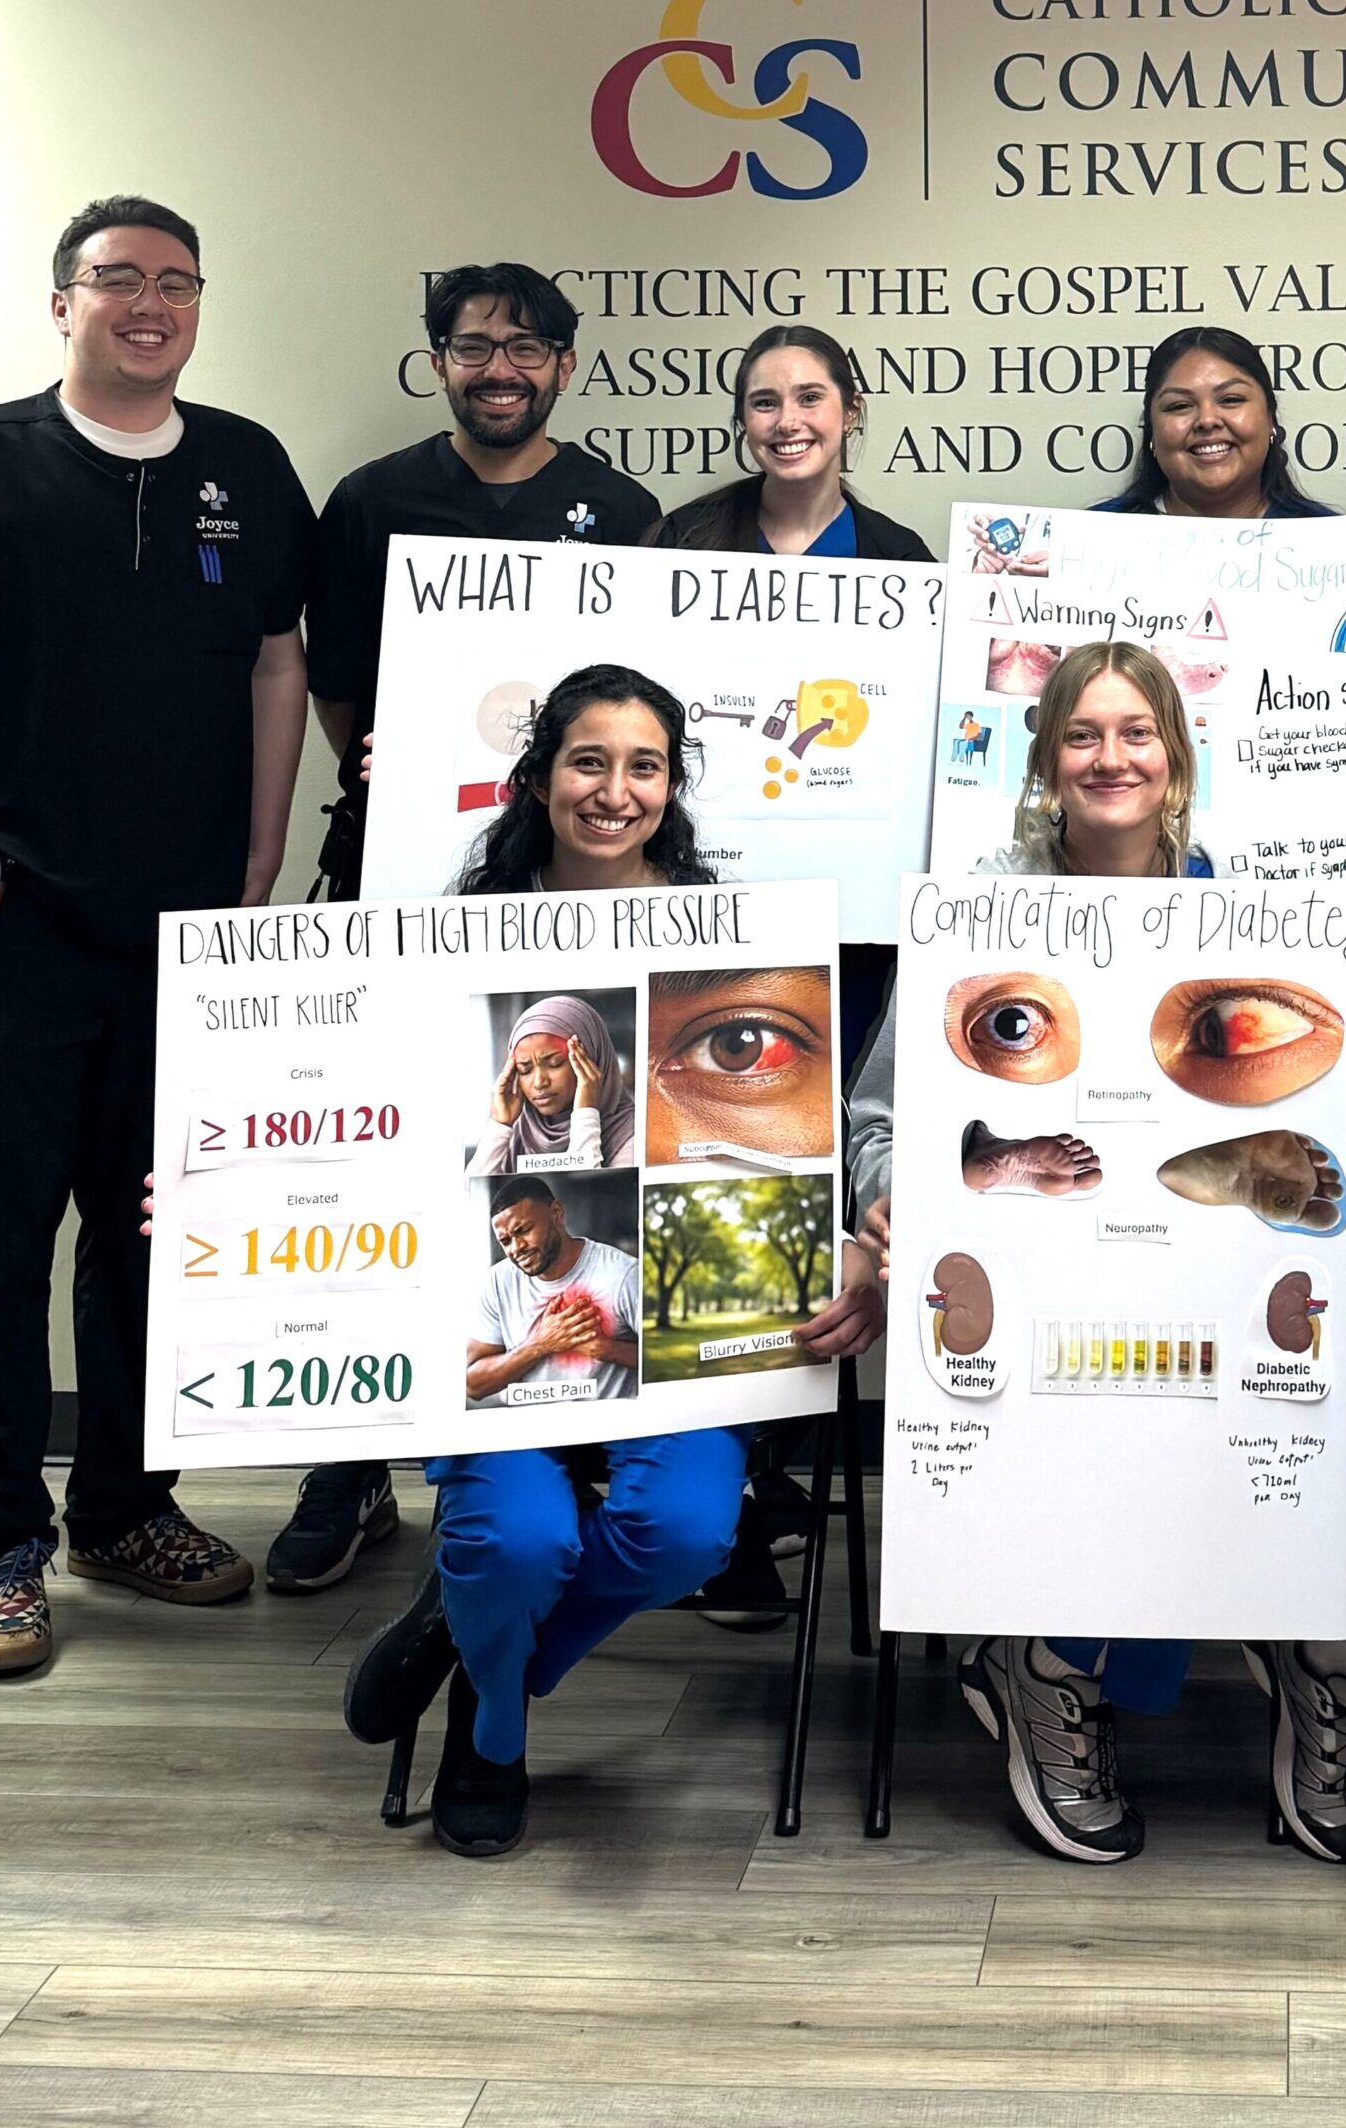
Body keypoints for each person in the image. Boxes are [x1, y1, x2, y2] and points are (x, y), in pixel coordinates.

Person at [0, 195, 314, 1677]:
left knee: (149, 1241)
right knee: (2, 1248)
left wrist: (260, 856)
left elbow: (274, 663)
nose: (149, 305)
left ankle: (125, 1507)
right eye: (118, 280)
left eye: (175, 282)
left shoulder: (245, 468)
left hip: (183, 940)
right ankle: (2, 1547)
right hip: (15, 930)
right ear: (63, 302)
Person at [848, 640, 1346, 1865]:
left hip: (1199, 1275)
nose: (1111, 756)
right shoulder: (976, 915)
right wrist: (892, 1197)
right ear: (1044, 761)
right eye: (1082, 735)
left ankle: (1306, 1659)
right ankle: (1045, 1663)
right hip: (1028, 1294)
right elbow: (880, 1122)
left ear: (1176, 758)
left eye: (1136, 732)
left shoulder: (1248, 917)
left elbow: (1308, 1122)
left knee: (1275, 1385)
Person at [341, 659, 885, 1855]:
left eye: (644, 766)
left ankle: (493, 1656)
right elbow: (353, 1117)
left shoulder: (730, 942)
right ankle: (493, 1731)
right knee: (517, 1536)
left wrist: (847, 1237)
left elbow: (798, 1125)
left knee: (692, 1528)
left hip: (678, 1311)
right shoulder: (449, 936)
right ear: (538, 778)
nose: (615, 790)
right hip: (505, 1322)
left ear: (670, 785)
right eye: (589, 761)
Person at [275, 261, 660, 1599]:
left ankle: (579, 1437)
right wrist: (395, 768)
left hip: (572, 900)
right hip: (403, 886)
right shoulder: (371, 500)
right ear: (437, 358)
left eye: (527, 346)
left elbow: (638, 700)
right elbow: (333, 690)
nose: (500, 366)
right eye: (473, 344)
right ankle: (350, 1466)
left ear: (564, 363)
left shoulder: (620, 511)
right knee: (392, 1158)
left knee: (557, 1149)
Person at [647, 323, 933, 559]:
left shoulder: (901, 558)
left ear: (850, 413)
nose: (787, 422)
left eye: (810, 398)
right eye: (765, 402)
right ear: (743, 420)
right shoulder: (680, 541)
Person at [1095, 327, 1336, 519]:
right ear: (1152, 435)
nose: (1207, 420)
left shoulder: (1336, 544)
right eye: (1180, 405)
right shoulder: (1085, 541)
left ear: (1271, 420)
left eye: (1231, 400)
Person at [467, 1178, 640, 1404]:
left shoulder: (623, 1274)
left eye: (524, 1230)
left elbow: (665, 1362)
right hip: (536, 1434)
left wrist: (606, 1349)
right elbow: (472, 1384)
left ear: (557, 1213)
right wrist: (541, 1344)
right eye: (506, 1241)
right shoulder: (499, 1280)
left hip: (608, 1433)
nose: (516, 1248)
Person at [471, 996, 638, 1173]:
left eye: (555, 1063)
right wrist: (499, 1126)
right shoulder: (517, 1135)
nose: (539, 1082)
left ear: (592, 1058)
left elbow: (587, 1185)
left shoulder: (634, 1135)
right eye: (525, 1069)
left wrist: (586, 1113)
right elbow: (469, 1195)